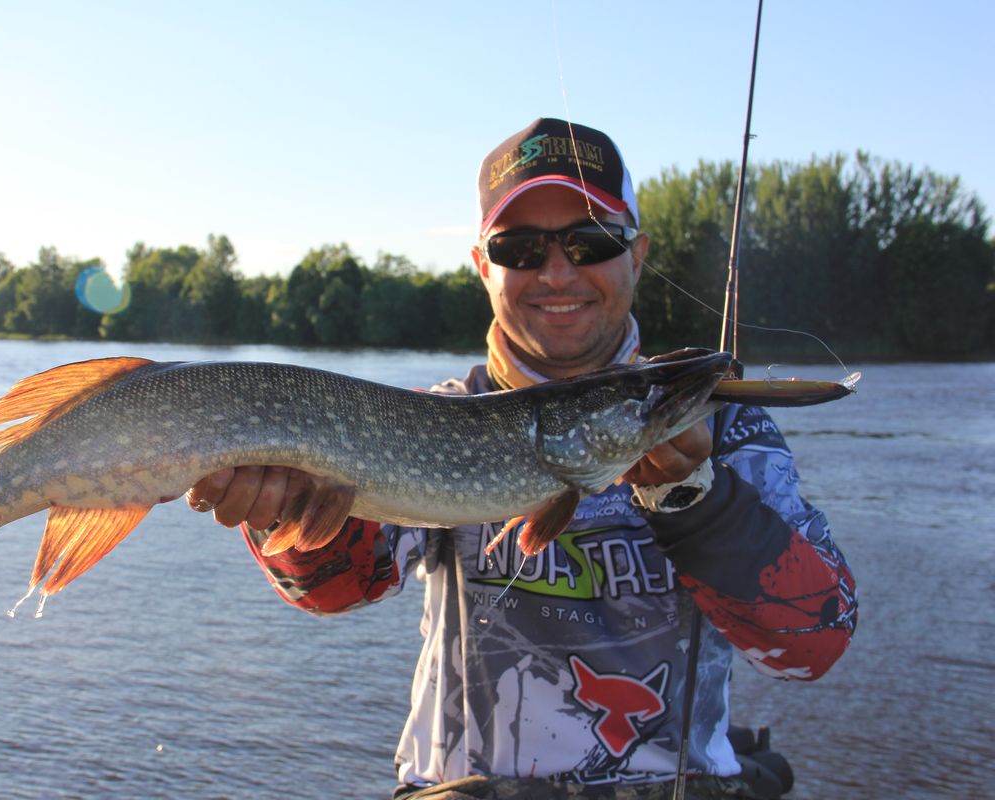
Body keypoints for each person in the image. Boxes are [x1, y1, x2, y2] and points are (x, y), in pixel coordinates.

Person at [187, 118, 858, 799]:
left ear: (637, 254)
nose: (558, 273)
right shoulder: (433, 417)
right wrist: (281, 515)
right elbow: (338, 590)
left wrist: (698, 500)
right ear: (484, 266)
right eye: (520, 248)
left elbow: (813, 644)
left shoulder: (724, 428)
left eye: (591, 241)